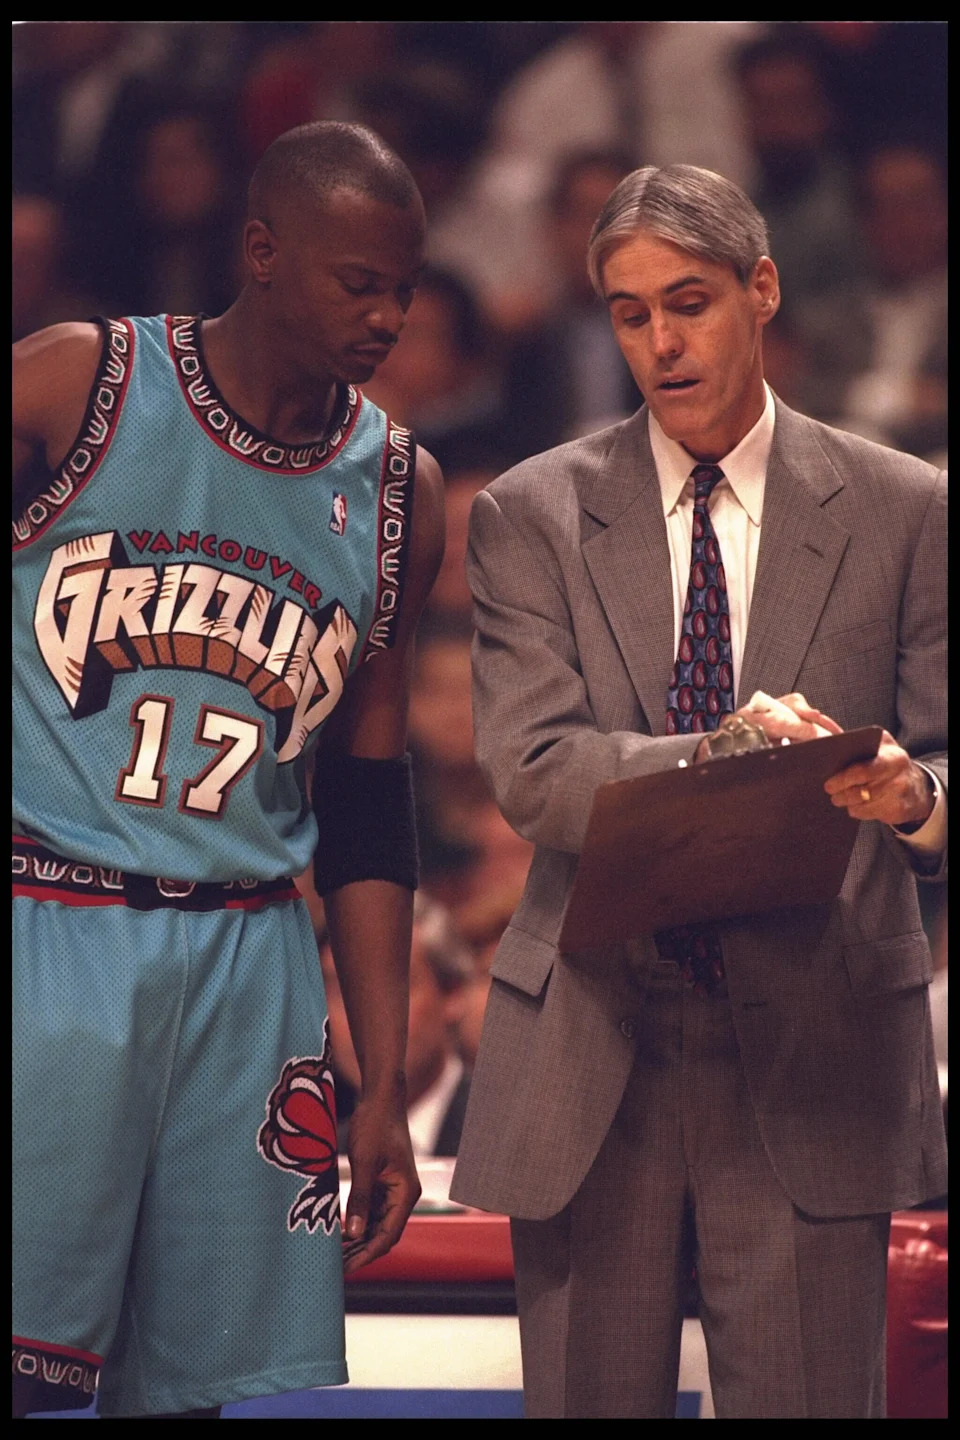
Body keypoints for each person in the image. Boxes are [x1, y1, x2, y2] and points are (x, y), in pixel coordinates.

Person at [449, 163, 947, 1418]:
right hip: (593, 1046)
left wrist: (912, 799)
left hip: (812, 1043)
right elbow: (537, 770)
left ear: (761, 291)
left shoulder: (907, 509)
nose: (662, 342)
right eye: (629, 313)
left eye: (690, 302)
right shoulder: (530, 514)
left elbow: (944, 757)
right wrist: (739, 757)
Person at [12, 120, 445, 1419]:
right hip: (52, 919)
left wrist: (380, 1069)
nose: (387, 316)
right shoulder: (75, 385)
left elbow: (370, 805)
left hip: (256, 966)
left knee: (198, 1395)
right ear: (262, 252)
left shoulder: (401, 493)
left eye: (404, 289)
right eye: (356, 282)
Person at [320, 891, 476, 1159]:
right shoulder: (318, 1159)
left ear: (452, 994)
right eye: (342, 991)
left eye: (391, 990)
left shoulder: (506, 1142)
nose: (362, 1020)